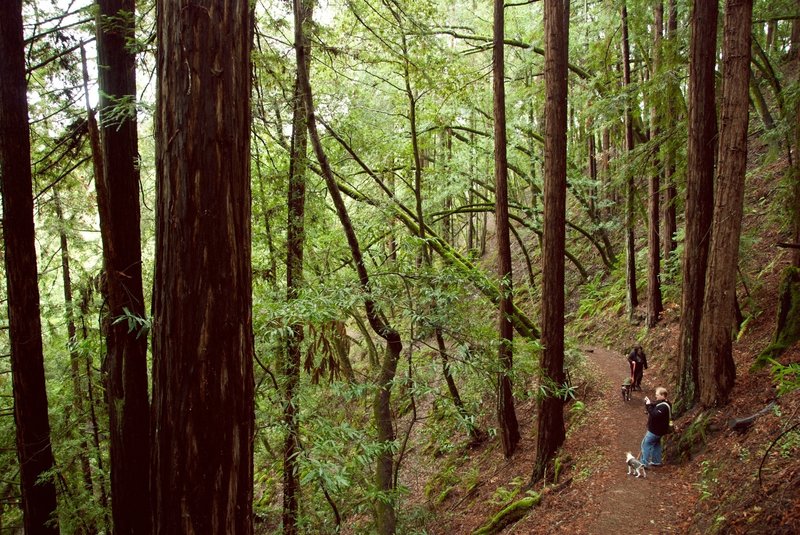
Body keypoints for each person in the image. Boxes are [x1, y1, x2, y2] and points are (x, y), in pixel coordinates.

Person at [640, 387, 672, 467]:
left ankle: (643, 463)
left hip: (655, 430)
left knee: (645, 444)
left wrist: (648, 406)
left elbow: (654, 415)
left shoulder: (664, 406)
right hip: (660, 431)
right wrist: (648, 403)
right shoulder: (663, 403)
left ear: (663, 395)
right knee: (656, 444)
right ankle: (656, 461)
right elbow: (654, 405)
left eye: (657, 395)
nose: (656, 396)